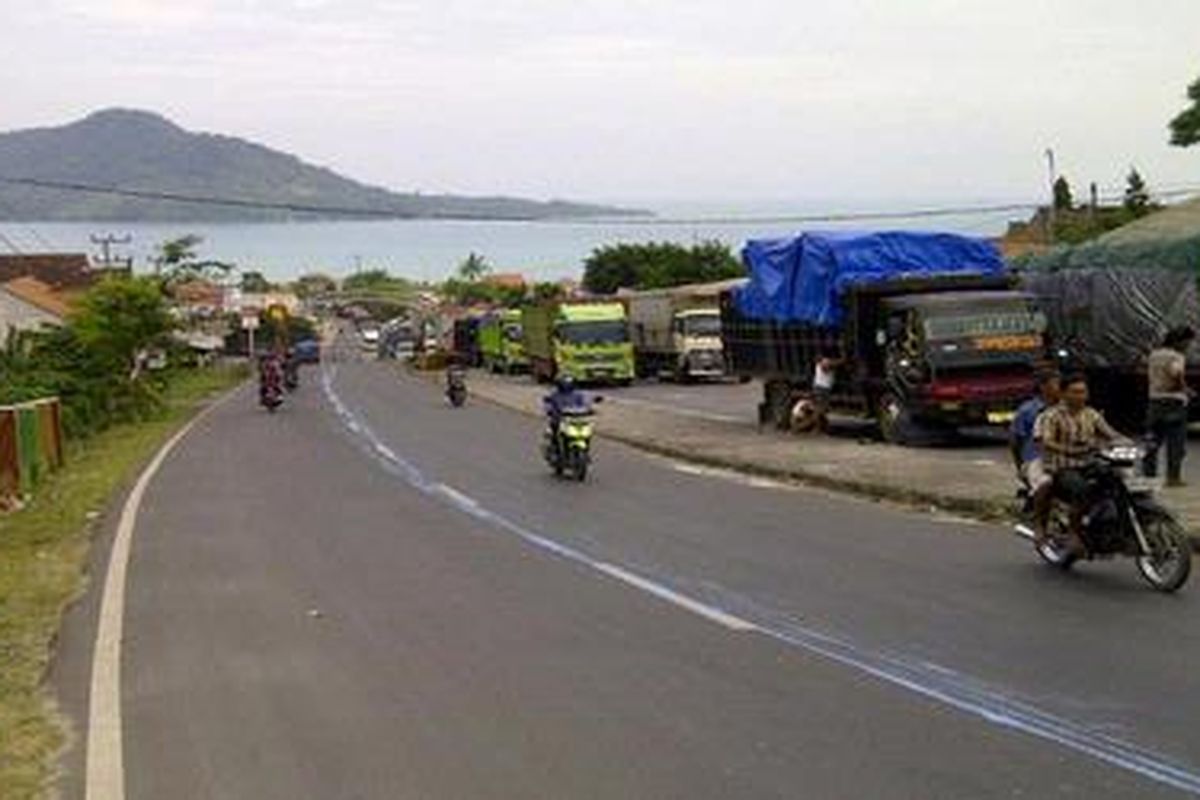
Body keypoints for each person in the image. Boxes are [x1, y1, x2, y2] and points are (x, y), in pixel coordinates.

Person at [1035, 373, 1125, 555]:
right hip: (1062, 467)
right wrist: (1070, 450)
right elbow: (1045, 442)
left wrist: (1127, 442)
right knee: (1082, 490)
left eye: (1083, 392)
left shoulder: (1091, 414)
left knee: (1118, 480)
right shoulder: (1051, 416)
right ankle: (1073, 532)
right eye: (1075, 392)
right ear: (1063, 394)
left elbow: (1110, 433)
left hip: (1088, 464)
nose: (1080, 396)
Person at [1010, 371, 1061, 544]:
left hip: (1067, 458)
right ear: (1043, 387)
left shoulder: (1069, 408)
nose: (1060, 387)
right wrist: (1021, 467)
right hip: (1036, 460)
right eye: (1056, 383)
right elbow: (1015, 442)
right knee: (1046, 483)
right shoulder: (1028, 411)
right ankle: (1038, 524)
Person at [1144, 326, 1195, 487]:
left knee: (1153, 442)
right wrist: (1185, 389)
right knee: (1176, 443)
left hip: (1154, 402)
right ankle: (1173, 478)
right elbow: (1176, 373)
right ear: (1180, 341)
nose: (1189, 345)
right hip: (1174, 403)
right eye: (1188, 342)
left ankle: (1149, 475)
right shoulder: (1177, 356)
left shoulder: (1154, 354)